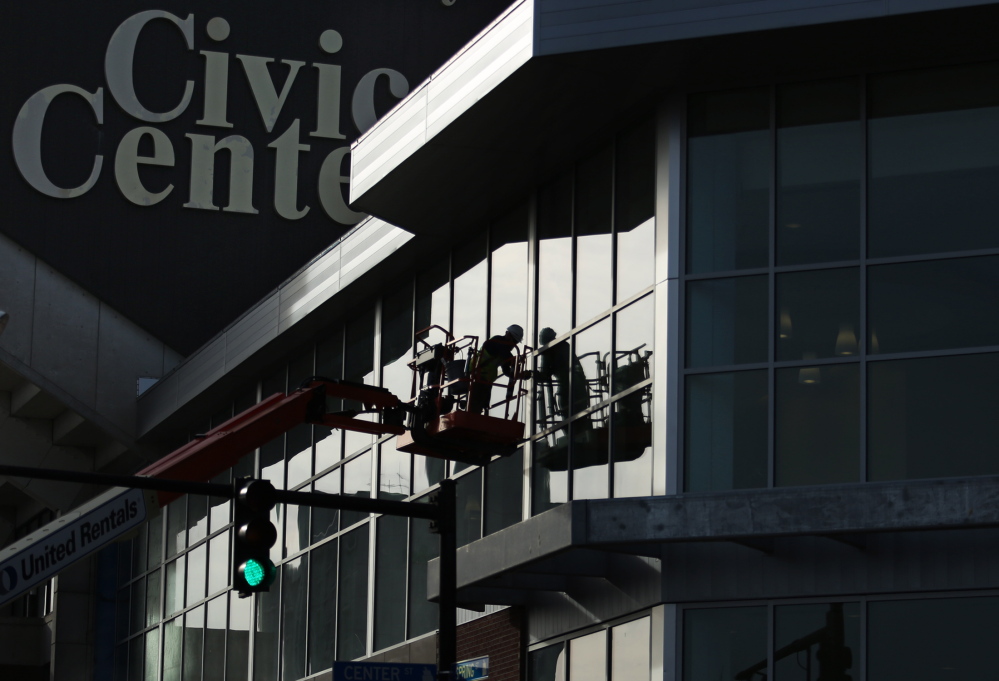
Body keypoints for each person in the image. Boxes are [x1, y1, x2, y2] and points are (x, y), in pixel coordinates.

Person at [467, 324, 527, 414]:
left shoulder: (504, 350)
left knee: (483, 405)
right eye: (514, 341)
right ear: (508, 334)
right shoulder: (497, 341)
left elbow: (506, 370)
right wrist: (517, 359)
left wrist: (518, 375)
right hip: (477, 376)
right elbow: (504, 353)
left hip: (486, 380)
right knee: (474, 405)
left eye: (516, 342)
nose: (514, 344)